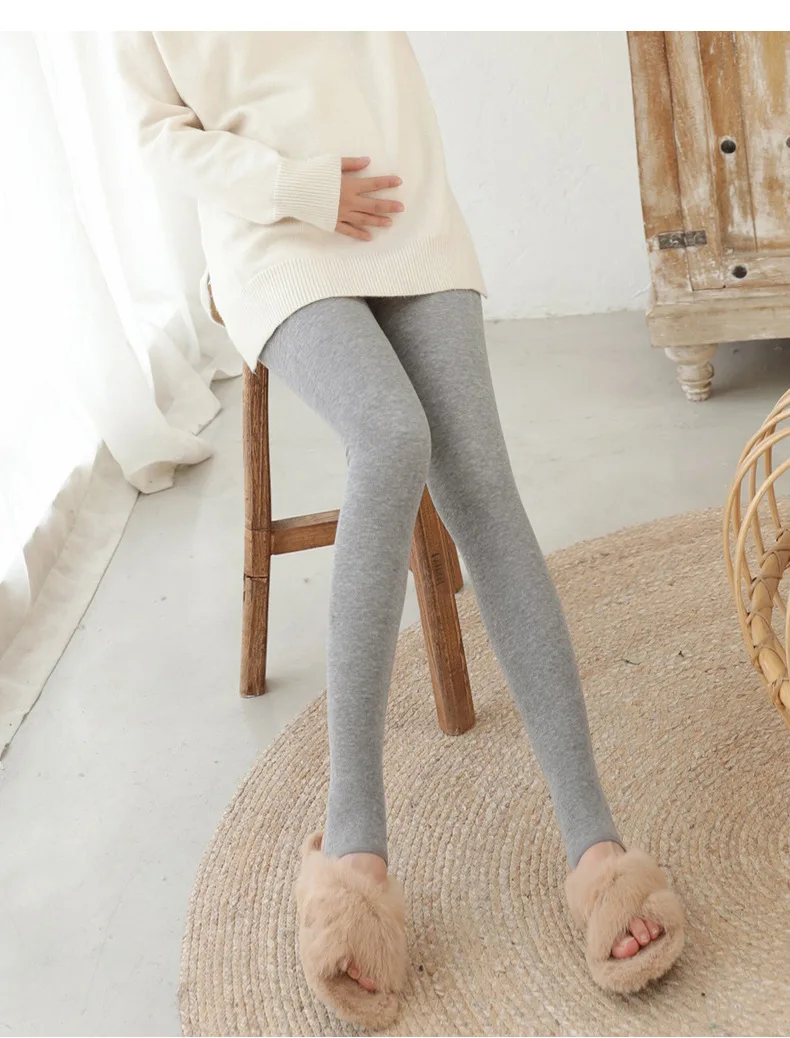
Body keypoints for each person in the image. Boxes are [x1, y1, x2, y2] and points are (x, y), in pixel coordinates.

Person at [113, 31, 685, 1028]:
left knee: (484, 487)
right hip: (273, 234)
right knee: (390, 436)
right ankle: (355, 844)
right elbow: (156, 134)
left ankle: (595, 845)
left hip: (401, 206)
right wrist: (293, 188)